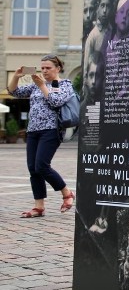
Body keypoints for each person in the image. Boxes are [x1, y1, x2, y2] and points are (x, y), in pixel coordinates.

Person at [9, 54, 76, 217]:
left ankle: (67, 192)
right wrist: (16, 77)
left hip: (51, 130)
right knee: (33, 169)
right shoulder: (35, 86)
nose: (44, 71)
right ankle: (39, 207)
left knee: (41, 165)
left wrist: (42, 86)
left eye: (48, 68)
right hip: (33, 130)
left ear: (58, 69)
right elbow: (13, 92)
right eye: (42, 68)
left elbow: (55, 101)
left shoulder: (65, 84)